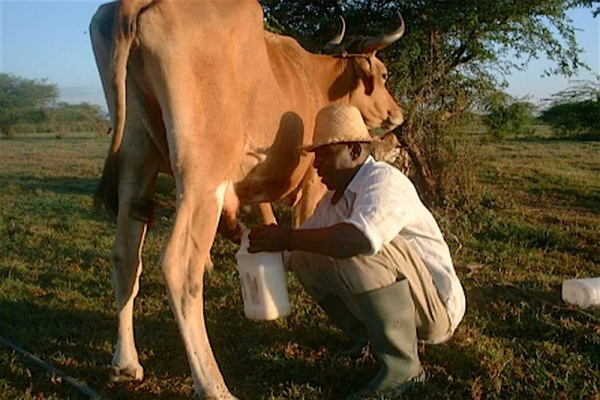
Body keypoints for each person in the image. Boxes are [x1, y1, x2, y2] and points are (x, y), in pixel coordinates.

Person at [248, 104, 466, 399]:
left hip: (435, 310)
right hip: (410, 304)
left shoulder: (384, 181)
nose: (316, 165)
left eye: (324, 154)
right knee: (304, 255)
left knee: (359, 245)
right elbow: (293, 253)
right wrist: (247, 238)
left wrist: (287, 237)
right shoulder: (332, 202)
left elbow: (358, 240)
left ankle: (404, 366)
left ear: (353, 151)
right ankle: (369, 338)